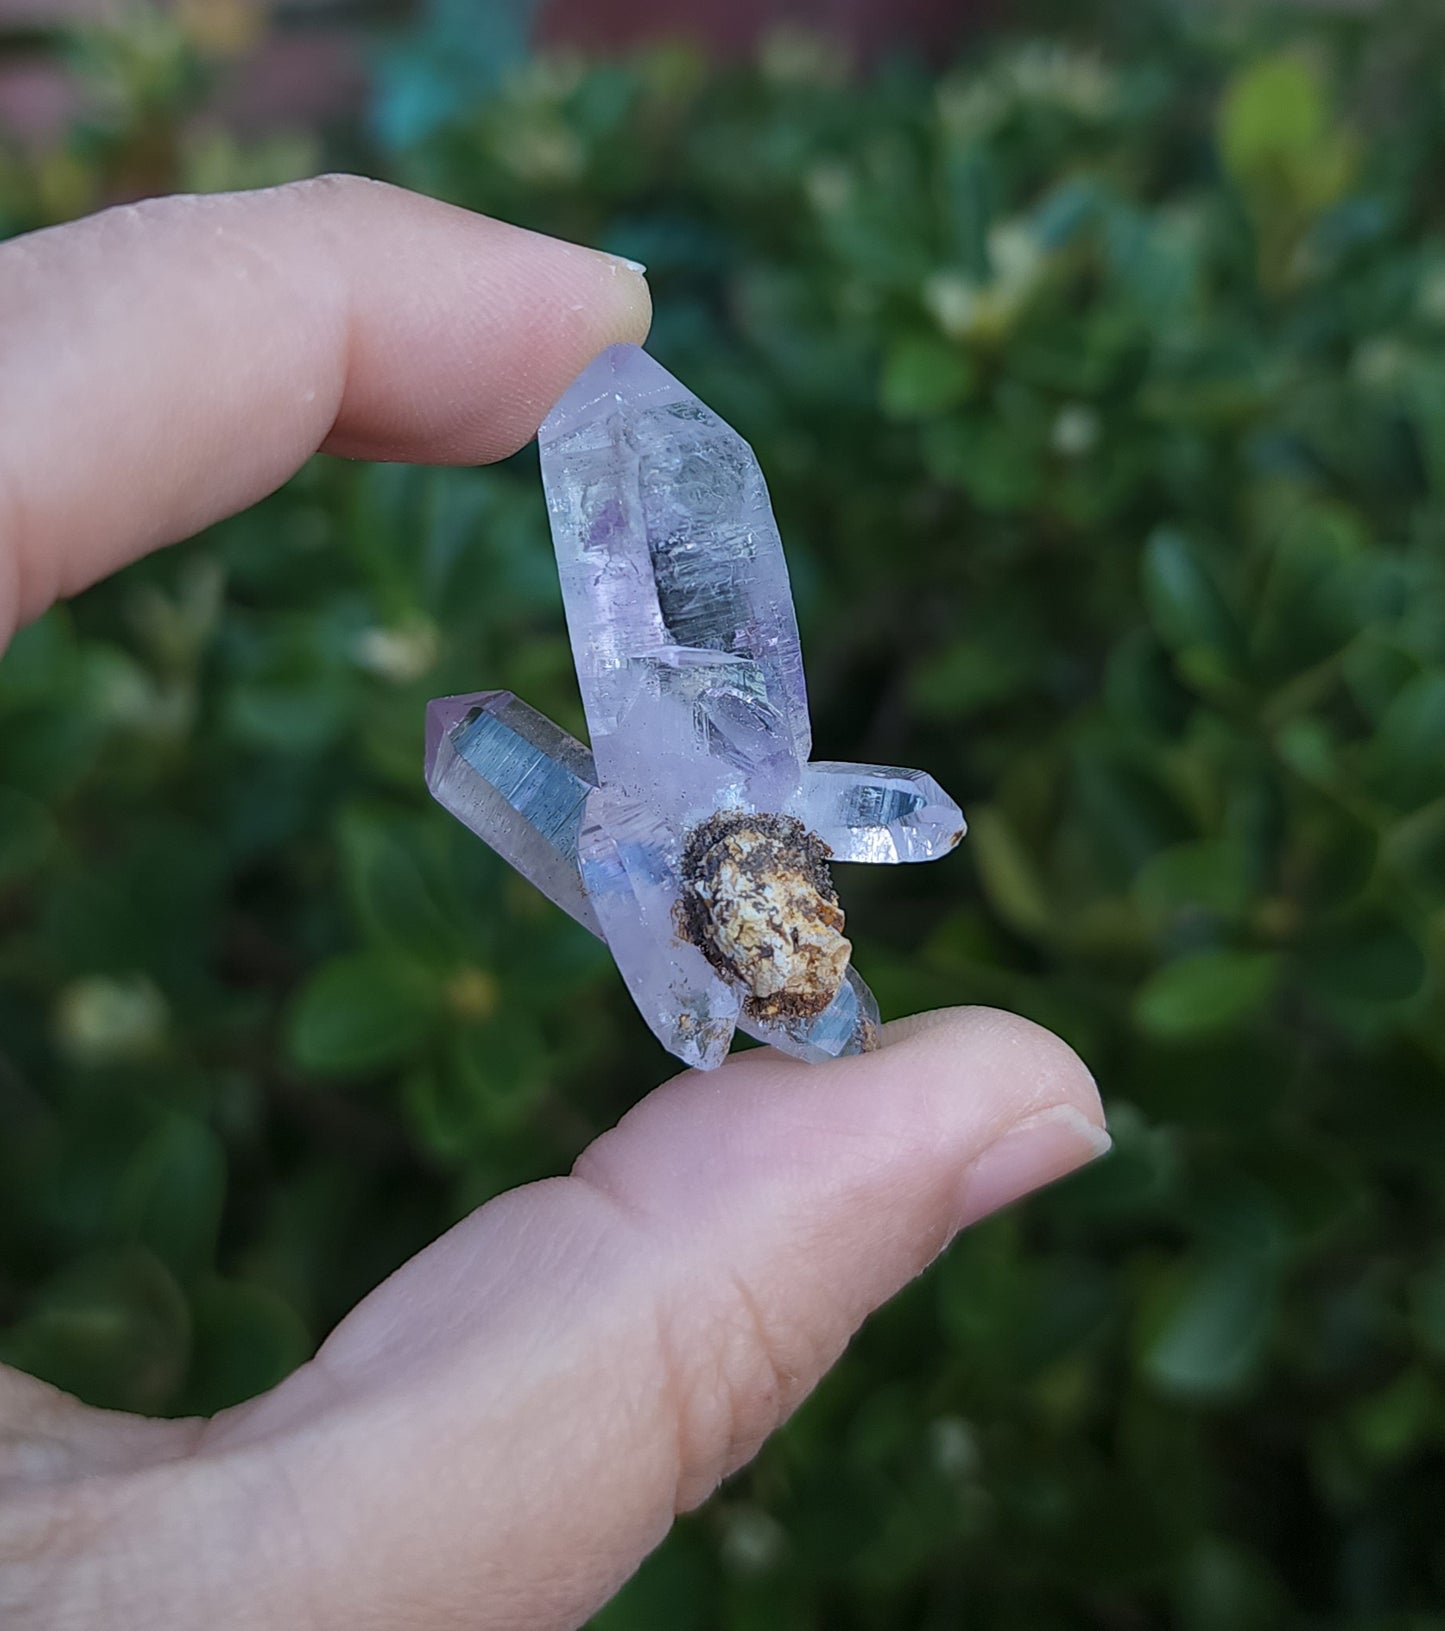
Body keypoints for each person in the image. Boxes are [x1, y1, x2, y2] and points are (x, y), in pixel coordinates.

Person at [0, 176, 1109, 1630]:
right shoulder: (663, 832)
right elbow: (535, 780)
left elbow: (555, 781)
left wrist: (854, 829)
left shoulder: (703, 843)